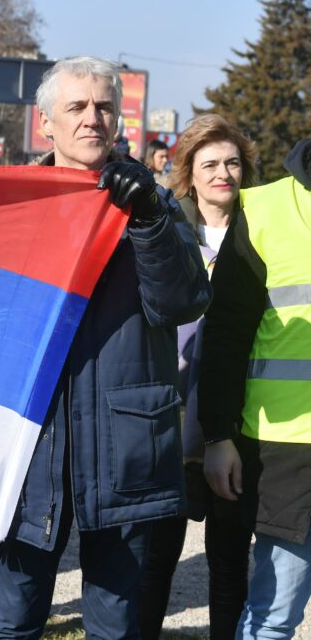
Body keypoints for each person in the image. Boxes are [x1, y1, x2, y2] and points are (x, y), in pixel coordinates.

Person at [0, 57, 210, 639]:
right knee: (16, 619)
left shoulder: (153, 202)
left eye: (104, 106)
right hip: (35, 441)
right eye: (76, 107)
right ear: (45, 123)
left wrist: (149, 219)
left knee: (114, 626)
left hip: (124, 442)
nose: (92, 118)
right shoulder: (12, 204)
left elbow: (180, 303)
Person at [136, 114, 258, 639]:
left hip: (237, 420)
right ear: (188, 171)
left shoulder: (262, 231)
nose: (223, 174)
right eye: (209, 163)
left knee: (229, 562)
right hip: (169, 418)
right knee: (154, 560)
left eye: (232, 162)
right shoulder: (169, 229)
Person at [200, 137, 311, 638]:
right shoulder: (267, 206)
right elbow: (225, 334)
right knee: (274, 614)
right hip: (288, 451)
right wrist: (218, 435)